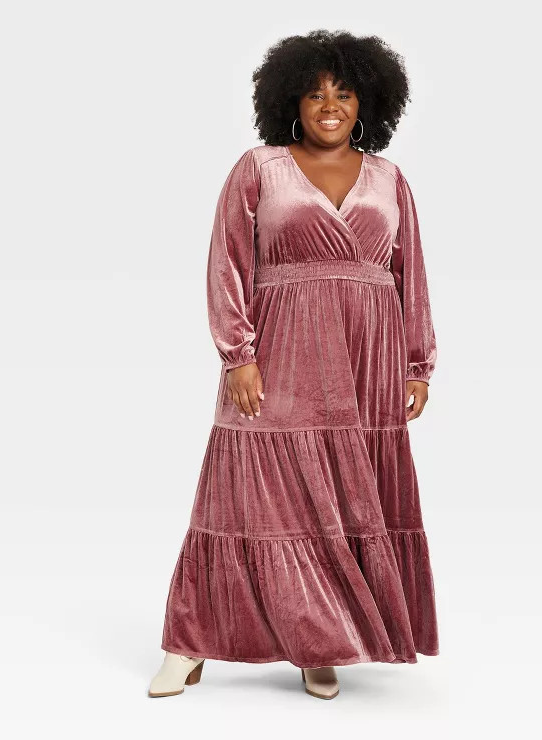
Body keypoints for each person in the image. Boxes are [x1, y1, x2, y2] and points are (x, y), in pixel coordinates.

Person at [149, 29, 439, 701]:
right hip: (278, 353)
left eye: (343, 92)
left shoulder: (390, 179)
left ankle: (320, 640)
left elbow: (411, 275)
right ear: (290, 102)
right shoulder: (260, 168)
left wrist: (417, 364)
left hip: (366, 360)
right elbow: (228, 264)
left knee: (341, 499)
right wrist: (238, 355)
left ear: (368, 102)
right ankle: (186, 645)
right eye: (314, 93)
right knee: (243, 493)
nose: (329, 105)